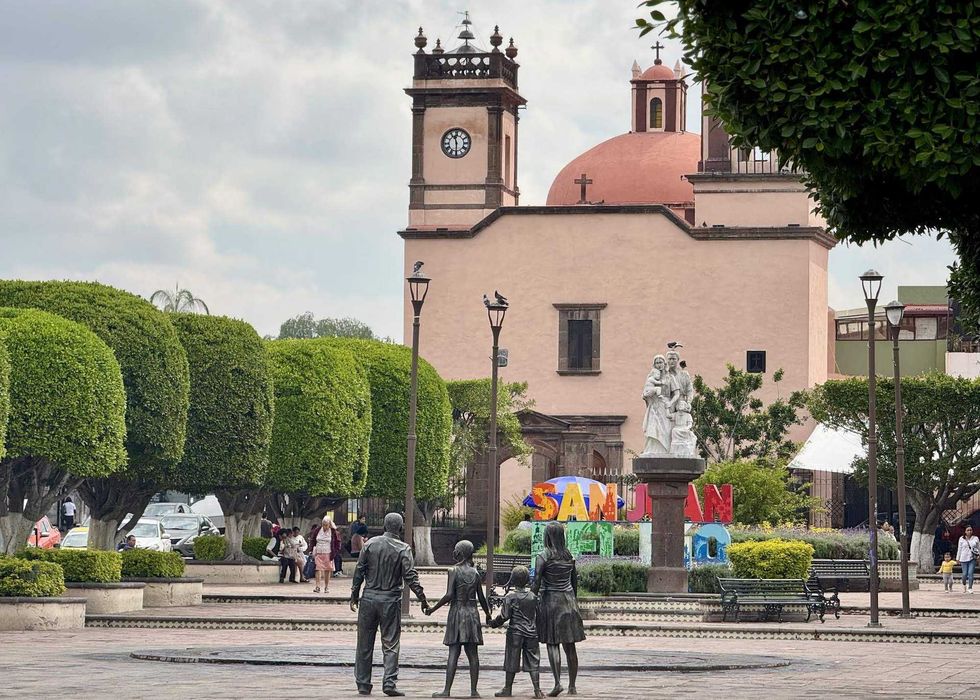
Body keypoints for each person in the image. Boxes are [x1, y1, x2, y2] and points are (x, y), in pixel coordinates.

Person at [350, 512, 428, 697]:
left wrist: (354, 593)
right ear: (400, 528)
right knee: (391, 643)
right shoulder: (403, 548)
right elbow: (411, 577)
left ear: (385, 526)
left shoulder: (370, 544)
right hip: (390, 600)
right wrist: (422, 598)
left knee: (364, 643)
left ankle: (363, 683)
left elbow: (359, 571)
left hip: (368, 598)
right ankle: (389, 683)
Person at [425, 540, 490, 699]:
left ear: (459, 553)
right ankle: (474, 691)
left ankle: (446, 690)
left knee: (454, 652)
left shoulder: (453, 570)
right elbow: (481, 597)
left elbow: (449, 595)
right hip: (472, 614)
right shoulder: (474, 573)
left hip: (457, 613)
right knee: (473, 655)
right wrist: (488, 614)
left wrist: (432, 609)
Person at [532, 522, 585, 697]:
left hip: (550, 602)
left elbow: (537, 582)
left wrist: (531, 599)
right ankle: (573, 686)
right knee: (570, 646)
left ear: (547, 536)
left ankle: (557, 683)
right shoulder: (569, 556)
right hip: (569, 602)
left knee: (552, 643)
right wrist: (573, 601)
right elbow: (574, 583)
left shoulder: (543, 556)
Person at [488, 565, 543, 699]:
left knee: (511, 659)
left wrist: (493, 623)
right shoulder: (533, 597)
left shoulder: (510, 597)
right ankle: (537, 690)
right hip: (531, 632)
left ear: (512, 579)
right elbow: (539, 616)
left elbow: (505, 616)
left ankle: (508, 688)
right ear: (527, 581)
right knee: (533, 660)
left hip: (515, 633)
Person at [640, 355, 671, 456]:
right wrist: (650, 393)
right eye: (657, 363)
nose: (659, 365)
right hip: (654, 405)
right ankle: (653, 449)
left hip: (665, 405)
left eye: (660, 362)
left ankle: (666, 449)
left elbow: (673, 391)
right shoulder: (651, 377)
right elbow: (645, 392)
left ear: (664, 363)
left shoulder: (669, 376)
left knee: (665, 428)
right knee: (653, 427)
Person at [310, 517, 341, 594]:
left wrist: (335, 551)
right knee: (318, 568)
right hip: (319, 551)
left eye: (326, 525)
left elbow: (337, 542)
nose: (325, 527)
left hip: (328, 552)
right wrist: (311, 549)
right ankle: (317, 586)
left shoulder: (333, 532)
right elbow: (313, 540)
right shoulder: (317, 530)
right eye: (323, 525)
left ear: (329, 525)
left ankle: (326, 587)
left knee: (327, 569)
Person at [955, 525, 979, 593]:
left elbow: (978, 548)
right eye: (968, 530)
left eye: (970, 530)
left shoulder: (975, 538)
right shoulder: (961, 539)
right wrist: (958, 558)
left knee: (970, 573)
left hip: (972, 558)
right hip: (963, 558)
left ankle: (970, 587)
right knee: (965, 574)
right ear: (965, 531)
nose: (969, 531)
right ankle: (964, 584)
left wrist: (978, 556)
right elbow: (959, 549)